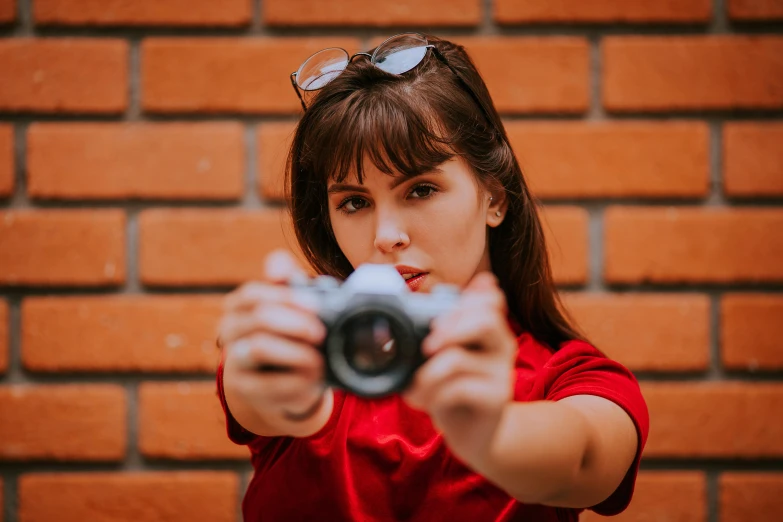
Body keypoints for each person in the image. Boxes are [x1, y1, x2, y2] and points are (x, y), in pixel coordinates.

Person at [215, 33, 649, 521]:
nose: (387, 235)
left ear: (494, 197)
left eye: (420, 189)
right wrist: (279, 384)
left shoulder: (573, 377)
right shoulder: (298, 343)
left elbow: (584, 462)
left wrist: (491, 432)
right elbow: (264, 394)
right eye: (354, 202)